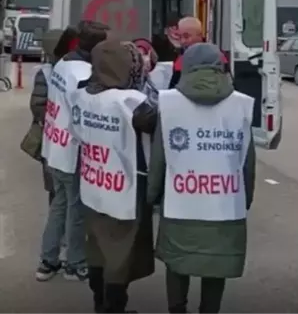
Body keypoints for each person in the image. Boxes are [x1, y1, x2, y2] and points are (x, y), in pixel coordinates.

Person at [147, 43, 256, 314]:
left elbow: (159, 157)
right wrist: (246, 199)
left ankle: (177, 309)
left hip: (180, 203)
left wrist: (151, 197)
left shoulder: (169, 103)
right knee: (215, 266)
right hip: (225, 206)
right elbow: (247, 162)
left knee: (177, 263)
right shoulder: (241, 104)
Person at [70, 40, 157, 314]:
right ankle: (113, 307)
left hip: (93, 182)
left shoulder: (82, 93)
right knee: (120, 254)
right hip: (124, 189)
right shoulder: (131, 102)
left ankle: (99, 303)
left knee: (97, 246)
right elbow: (158, 121)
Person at [38, 21, 110, 282]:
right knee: (76, 211)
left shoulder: (63, 63)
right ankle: (75, 264)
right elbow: (84, 114)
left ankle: (48, 260)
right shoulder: (82, 73)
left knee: (58, 206)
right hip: (72, 150)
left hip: (54, 146)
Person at [30, 27, 78, 207]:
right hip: (53, 138)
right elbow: (37, 105)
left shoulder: (66, 70)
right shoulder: (47, 72)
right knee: (57, 192)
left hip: (58, 139)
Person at [167, 17, 206, 89]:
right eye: (180, 37)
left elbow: (172, 93)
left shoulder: (182, 61)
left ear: (200, 35)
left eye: (186, 36)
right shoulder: (219, 56)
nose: (182, 41)